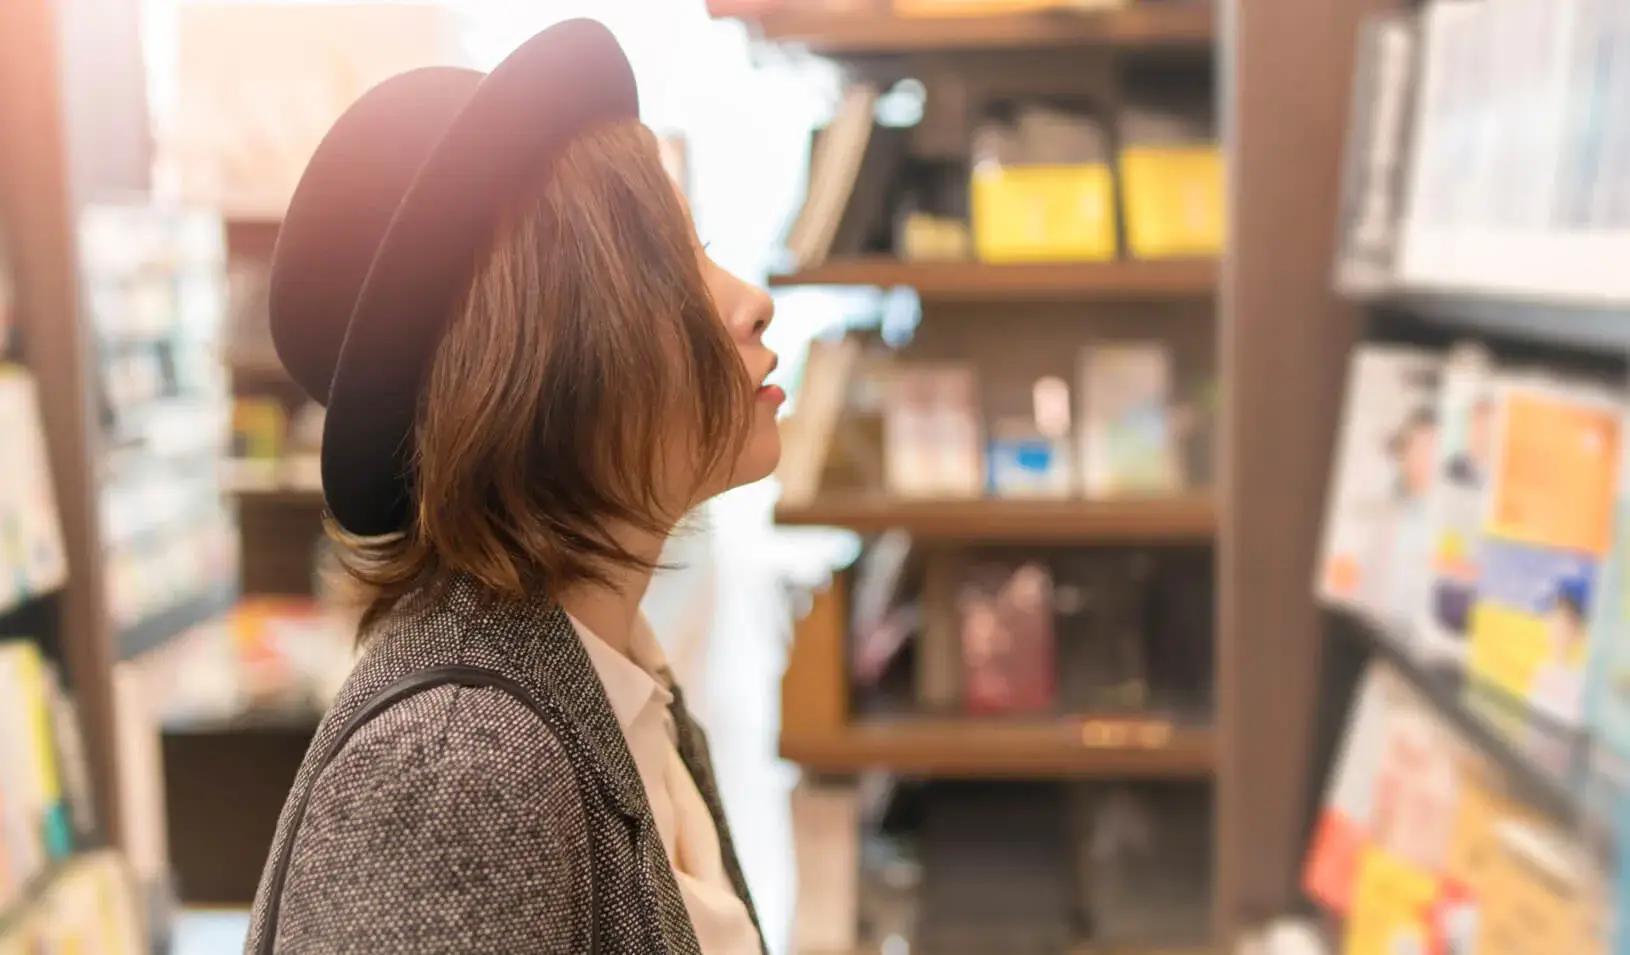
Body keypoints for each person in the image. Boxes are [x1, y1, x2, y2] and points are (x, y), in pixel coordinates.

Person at [243, 20, 781, 955]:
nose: (750, 298)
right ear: (554, 351)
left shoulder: (618, 681)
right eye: (680, 263)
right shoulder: (457, 765)